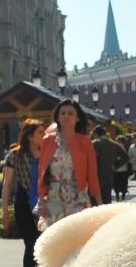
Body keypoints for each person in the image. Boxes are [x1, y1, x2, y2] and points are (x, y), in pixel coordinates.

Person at [35, 98, 100, 239]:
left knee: (78, 240)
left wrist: (100, 204)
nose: (66, 116)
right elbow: (42, 172)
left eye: (71, 113)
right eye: (62, 113)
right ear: (57, 117)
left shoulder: (85, 142)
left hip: (78, 197)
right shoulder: (47, 141)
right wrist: (40, 201)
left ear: (77, 118)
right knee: (56, 241)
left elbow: (92, 174)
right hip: (53, 198)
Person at [1, 117, 43, 267]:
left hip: (45, 203)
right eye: (41, 133)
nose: (45, 136)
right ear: (30, 136)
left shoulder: (48, 153)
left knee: (43, 245)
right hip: (24, 202)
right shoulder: (14, 156)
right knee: (31, 244)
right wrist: (4, 211)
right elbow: (7, 183)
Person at [91, 123, 125, 204]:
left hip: (96, 175)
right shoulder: (114, 144)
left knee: (95, 202)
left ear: (96, 134)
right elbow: (125, 157)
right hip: (109, 174)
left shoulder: (94, 143)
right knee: (107, 201)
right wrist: (115, 166)